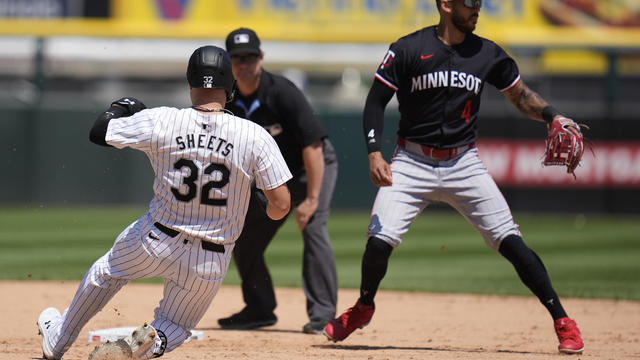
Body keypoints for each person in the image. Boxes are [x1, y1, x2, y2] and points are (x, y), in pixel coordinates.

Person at [323, 0, 585, 355]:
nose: (476, 8)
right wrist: (373, 152)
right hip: (411, 162)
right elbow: (375, 101)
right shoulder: (408, 48)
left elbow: (520, 96)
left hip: (463, 163)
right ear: (446, 5)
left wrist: (552, 115)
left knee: (512, 243)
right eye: (469, 3)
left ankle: (563, 322)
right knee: (378, 243)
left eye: (479, 2)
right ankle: (364, 306)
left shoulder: (488, 54)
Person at [36, 45, 292, 359]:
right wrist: (257, 201)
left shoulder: (162, 120)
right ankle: (144, 345)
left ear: (189, 84)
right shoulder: (255, 136)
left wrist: (122, 106)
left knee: (106, 274)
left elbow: (99, 132)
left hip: (154, 240)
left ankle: (58, 340)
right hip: (209, 259)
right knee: (174, 324)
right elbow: (280, 205)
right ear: (230, 86)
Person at [216, 27, 339, 334]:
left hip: (310, 166)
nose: (244, 64)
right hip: (271, 177)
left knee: (312, 225)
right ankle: (259, 308)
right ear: (228, 62)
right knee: (243, 236)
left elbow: (313, 145)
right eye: (237, 58)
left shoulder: (280, 91)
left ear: (261, 57)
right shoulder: (226, 98)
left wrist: (311, 199)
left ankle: (323, 314)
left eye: (250, 56)